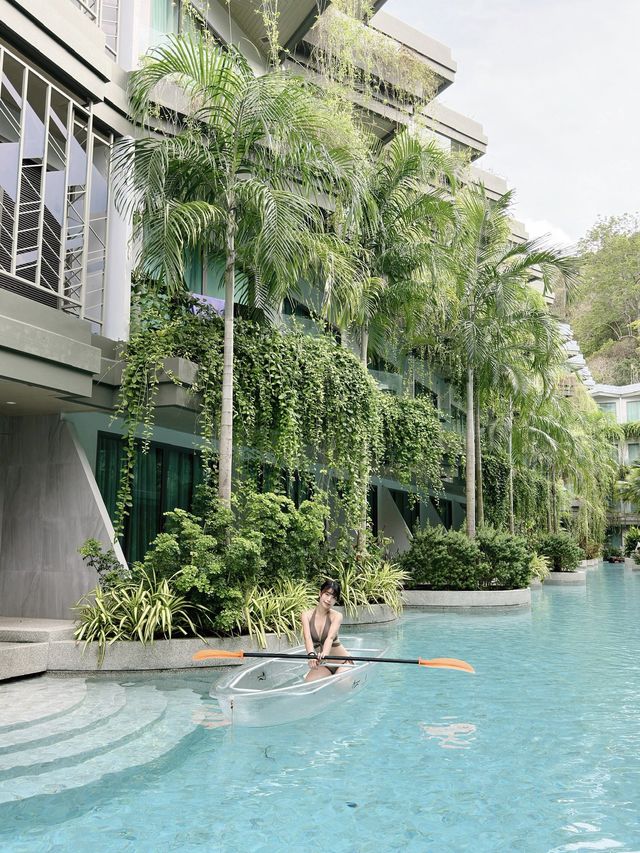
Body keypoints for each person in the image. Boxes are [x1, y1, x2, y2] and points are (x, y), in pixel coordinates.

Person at [300, 579, 352, 682]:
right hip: (326, 665)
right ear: (320, 593)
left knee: (340, 683)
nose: (329, 599)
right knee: (308, 684)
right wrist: (311, 655)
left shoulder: (337, 616)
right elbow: (307, 638)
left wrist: (325, 653)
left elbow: (330, 637)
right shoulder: (306, 615)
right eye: (327, 594)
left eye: (333, 597)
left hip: (342, 662)